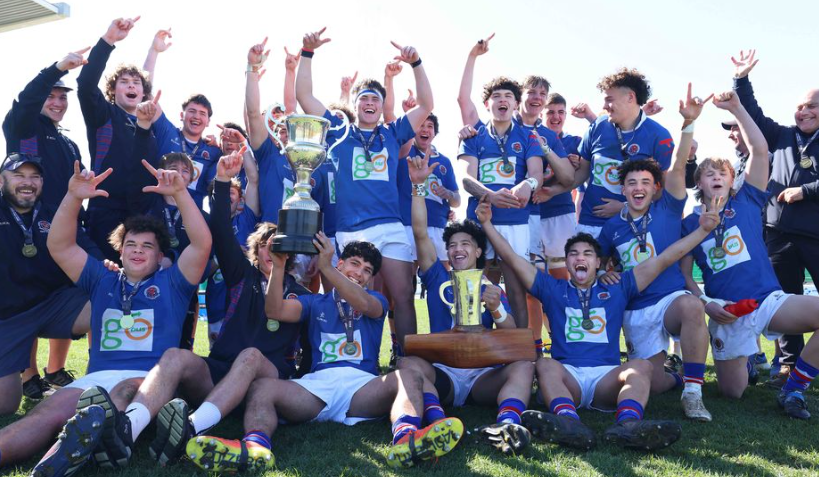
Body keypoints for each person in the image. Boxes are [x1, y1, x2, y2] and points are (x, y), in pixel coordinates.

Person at [1, 157, 208, 475]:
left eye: (147, 247)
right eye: (130, 244)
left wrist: (180, 193)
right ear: (120, 251)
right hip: (95, 381)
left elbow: (202, 243)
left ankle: (73, 446)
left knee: (120, 393)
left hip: (149, 380)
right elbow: (59, 245)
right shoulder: (102, 279)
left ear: (161, 257)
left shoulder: (174, 283)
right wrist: (73, 197)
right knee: (42, 415)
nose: (137, 250)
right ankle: (47, 465)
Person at [187, 236, 463, 472]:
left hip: (362, 388)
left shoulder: (375, 300)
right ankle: (255, 448)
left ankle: (406, 439)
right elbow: (275, 311)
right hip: (316, 386)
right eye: (354, 263)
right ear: (341, 263)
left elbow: (364, 302)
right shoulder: (313, 301)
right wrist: (278, 269)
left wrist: (326, 269)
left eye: (367, 270)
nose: (360, 272)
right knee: (263, 388)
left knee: (407, 376)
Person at [478, 193, 721, 451]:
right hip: (567, 376)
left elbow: (665, 258)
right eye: (573, 254)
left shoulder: (620, 287)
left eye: (587, 254)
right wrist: (486, 224)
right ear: (567, 262)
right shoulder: (551, 287)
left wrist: (703, 230)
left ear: (597, 262)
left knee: (640, 366)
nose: (580, 258)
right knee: (546, 364)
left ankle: (628, 426)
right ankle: (569, 423)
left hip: (606, 378)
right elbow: (513, 258)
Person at [681, 89, 819, 420]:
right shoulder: (687, 223)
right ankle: (745, 360)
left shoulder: (747, 201)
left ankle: (794, 388)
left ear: (733, 181)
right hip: (727, 311)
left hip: (768, 302)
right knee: (733, 392)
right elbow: (685, 276)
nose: (716, 177)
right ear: (699, 181)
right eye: (709, 173)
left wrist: (738, 108)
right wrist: (707, 305)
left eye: (722, 173)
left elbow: (759, 149)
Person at [295, 28, 434, 350]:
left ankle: (408, 357)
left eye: (375, 99)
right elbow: (305, 97)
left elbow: (427, 104)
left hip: (390, 226)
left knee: (402, 296)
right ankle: (352, 356)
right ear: (356, 106)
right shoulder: (338, 131)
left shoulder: (392, 132)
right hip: (351, 231)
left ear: (382, 106)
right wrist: (307, 52)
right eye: (364, 99)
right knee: (347, 299)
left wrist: (417, 63)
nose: (370, 102)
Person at [397, 152, 534, 455]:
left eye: (465, 245)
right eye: (452, 245)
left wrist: (497, 309)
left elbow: (511, 333)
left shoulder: (491, 287)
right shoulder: (436, 277)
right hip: (443, 372)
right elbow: (420, 233)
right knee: (407, 364)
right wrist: (418, 188)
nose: (458, 250)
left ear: (478, 252)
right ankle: (438, 423)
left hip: (483, 374)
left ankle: (507, 424)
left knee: (524, 365)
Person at [597, 84, 713, 422]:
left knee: (692, 307)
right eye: (632, 183)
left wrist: (688, 123)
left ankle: (693, 392)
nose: (638, 188)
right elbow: (596, 264)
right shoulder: (611, 228)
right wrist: (604, 272)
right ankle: (676, 374)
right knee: (651, 379)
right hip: (636, 309)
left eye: (645, 182)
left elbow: (678, 167)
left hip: (668, 300)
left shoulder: (667, 210)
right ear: (623, 189)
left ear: (655, 188)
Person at [456, 34, 573, 330]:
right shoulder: (474, 134)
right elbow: (465, 177)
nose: (502, 100)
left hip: (517, 222)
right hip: (482, 219)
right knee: (477, 284)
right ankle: (475, 342)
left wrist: (528, 186)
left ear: (515, 104)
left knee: (518, 287)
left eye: (508, 96)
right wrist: (490, 196)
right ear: (487, 104)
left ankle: (523, 349)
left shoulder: (528, 136)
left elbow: (534, 174)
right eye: (496, 97)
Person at [2, 50, 91, 397]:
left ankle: (55, 371)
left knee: (68, 292)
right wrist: (57, 68)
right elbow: (26, 101)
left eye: (61, 97)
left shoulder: (68, 142)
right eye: (50, 96)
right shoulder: (24, 127)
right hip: (24, 228)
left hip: (60, 231)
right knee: (21, 295)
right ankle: (29, 376)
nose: (56, 102)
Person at [731, 49, 819, 388]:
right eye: (800, 106)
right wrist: (740, 79)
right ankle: (788, 366)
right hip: (778, 233)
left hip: (815, 234)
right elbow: (750, 113)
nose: (803, 111)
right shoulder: (781, 135)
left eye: (811, 106)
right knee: (784, 299)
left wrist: (806, 191)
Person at [0, 154, 101, 418]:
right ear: (1, 180)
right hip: (8, 318)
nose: (27, 182)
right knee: (6, 405)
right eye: (18, 175)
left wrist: (111, 270)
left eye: (34, 176)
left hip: (54, 305)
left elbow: (86, 247)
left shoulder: (54, 213)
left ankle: (102, 382)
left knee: (109, 301)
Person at [77, 16, 153, 261]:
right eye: (124, 82)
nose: (131, 86)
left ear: (143, 92)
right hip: (106, 211)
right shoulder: (104, 114)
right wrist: (108, 40)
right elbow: (86, 84)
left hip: (143, 214)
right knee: (107, 280)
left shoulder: (149, 125)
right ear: (113, 90)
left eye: (136, 83)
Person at [572, 68, 675, 238]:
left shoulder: (659, 136)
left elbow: (662, 192)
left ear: (630, 97)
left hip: (634, 228)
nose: (604, 106)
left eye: (609, 100)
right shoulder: (599, 125)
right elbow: (580, 174)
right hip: (591, 225)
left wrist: (626, 208)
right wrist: (551, 190)